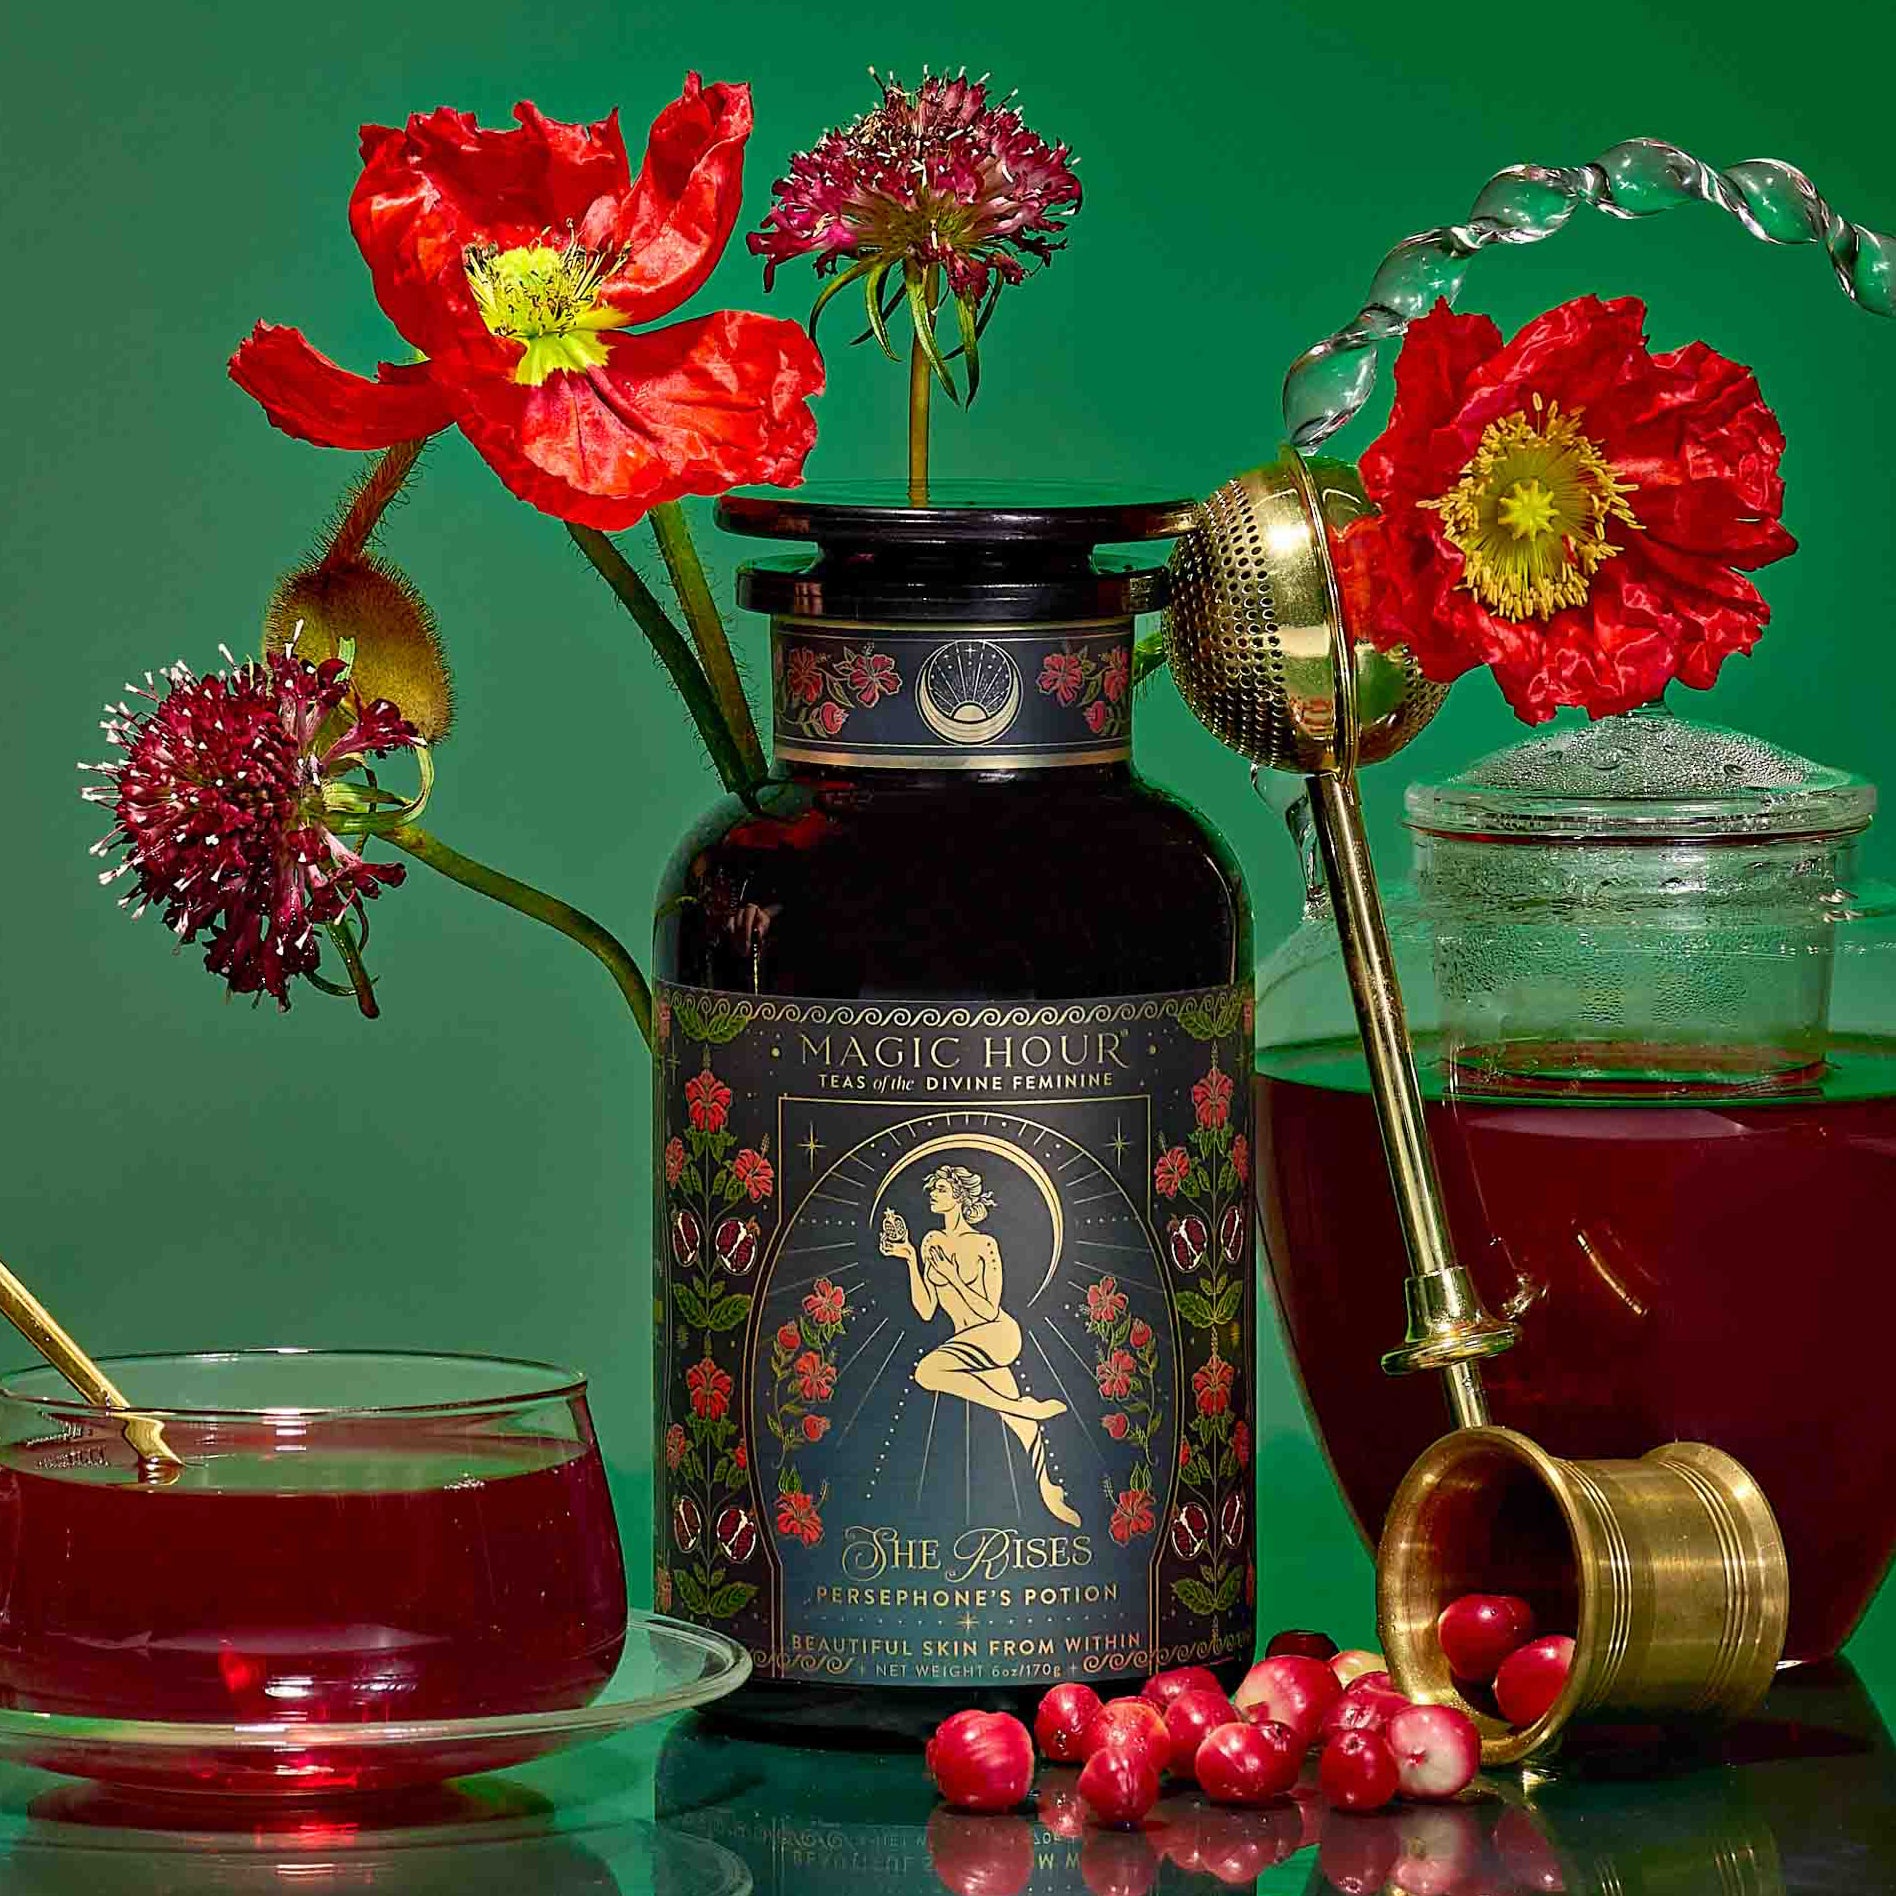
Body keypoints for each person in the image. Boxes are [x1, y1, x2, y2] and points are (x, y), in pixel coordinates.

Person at [879, 1163, 1081, 1528]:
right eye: (933, 1189)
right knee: (1021, 1424)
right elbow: (926, 1310)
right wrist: (910, 1258)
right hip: (966, 1342)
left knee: (928, 1371)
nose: (932, 1195)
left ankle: (1022, 1408)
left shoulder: (985, 1244)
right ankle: (1050, 1491)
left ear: (959, 1196)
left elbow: (989, 1308)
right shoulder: (930, 1243)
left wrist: (954, 1278)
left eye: (940, 1189)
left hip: (998, 1334)